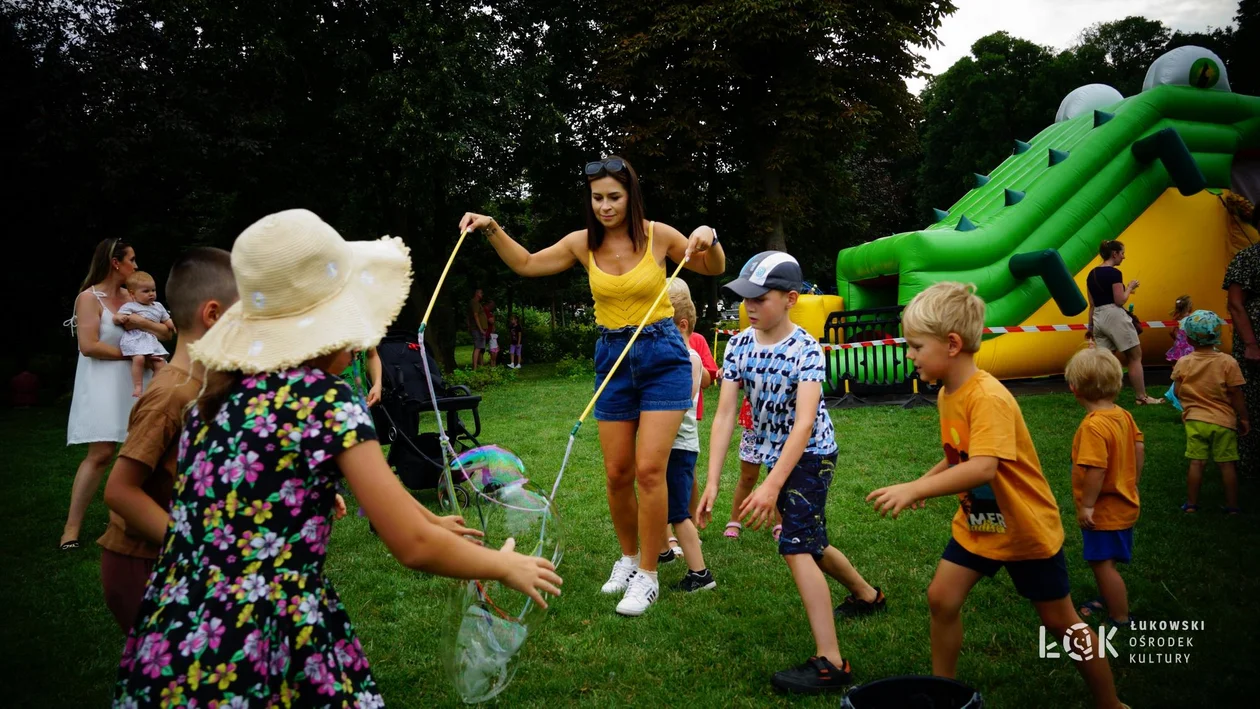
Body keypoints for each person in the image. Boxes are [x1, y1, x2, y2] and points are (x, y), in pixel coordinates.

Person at [113, 209, 561, 706]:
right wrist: (500, 567)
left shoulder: (215, 396)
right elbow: (409, 545)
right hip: (267, 637)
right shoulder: (327, 400)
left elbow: (253, 497)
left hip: (175, 630)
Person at [460, 155, 724, 617]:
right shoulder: (582, 243)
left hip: (663, 354)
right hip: (612, 357)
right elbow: (525, 263)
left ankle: (648, 574)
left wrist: (710, 236)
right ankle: (626, 558)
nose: (605, 206)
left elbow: (712, 267)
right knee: (618, 472)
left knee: (648, 471)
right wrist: (491, 227)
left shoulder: (658, 235)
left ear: (631, 196)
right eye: (598, 197)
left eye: (614, 197)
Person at [867, 282, 1127, 709]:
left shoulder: (987, 397)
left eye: (915, 346)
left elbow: (984, 466)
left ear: (951, 344)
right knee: (941, 598)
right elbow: (961, 456)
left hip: (1024, 528)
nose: (909, 354)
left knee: (1060, 620)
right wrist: (925, 485)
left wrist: (916, 487)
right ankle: (942, 692)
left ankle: (1110, 702)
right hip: (982, 520)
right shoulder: (950, 392)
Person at [699, 251, 883, 694]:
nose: (750, 306)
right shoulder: (740, 345)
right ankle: (867, 595)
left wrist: (771, 485)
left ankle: (832, 663)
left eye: (760, 298)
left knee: (796, 545)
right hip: (773, 456)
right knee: (811, 540)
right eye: (745, 298)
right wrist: (712, 480)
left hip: (813, 455)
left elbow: (804, 423)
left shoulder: (807, 350)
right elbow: (724, 416)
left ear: (792, 299)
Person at [98, 247, 238, 631]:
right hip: (145, 564)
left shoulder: (206, 385)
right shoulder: (170, 395)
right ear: (213, 315)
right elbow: (120, 491)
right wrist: (195, 548)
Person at [60, 238, 172, 551]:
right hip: (104, 381)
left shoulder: (134, 297)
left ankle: (144, 520)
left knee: (149, 452)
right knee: (101, 453)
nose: (136, 266)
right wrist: (134, 352)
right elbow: (89, 345)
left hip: (140, 380)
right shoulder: (88, 297)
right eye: (132, 260)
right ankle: (70, 529)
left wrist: (138, 323)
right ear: (115, 263)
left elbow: (166, 331)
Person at [1064, 348, 1144, 629]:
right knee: (1106, 561)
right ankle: (1107, 598)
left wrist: (1087, 505)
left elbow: (1095, 470)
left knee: (1102, 565)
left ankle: (1120, 615)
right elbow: (1139, 446)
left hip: (1104, 512)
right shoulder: (1123, 415)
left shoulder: (1093, 427)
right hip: (1125, 501)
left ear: (1074, 389)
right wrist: (1132, 480)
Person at [657, 279, 716, 596]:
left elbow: (681, 401)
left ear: (681, 325)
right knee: (661, 503)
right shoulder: (675, 355)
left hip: (678, 446)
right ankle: (662, 551)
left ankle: (700, 573)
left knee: (679, 513)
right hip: (669, 445)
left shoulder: (688, 358)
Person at [1172, 310, 1249, 514]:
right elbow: (1236, 394)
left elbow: (1178, 392)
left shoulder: (1184, 362)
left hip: (1195, 421)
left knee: (1196, 463)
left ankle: (1191, 504)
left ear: (1188, 337)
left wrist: (1189, 406)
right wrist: (1244, 418)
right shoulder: (1228, 362)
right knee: (1226, 465)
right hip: (1224, 421)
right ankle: (1233, 506)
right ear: (1218, 334)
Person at [1086, 240, 1162, 405]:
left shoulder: (1091, 274)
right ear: (1114, 254)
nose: (1124, 257)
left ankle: (1100, 397)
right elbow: (1119, 300)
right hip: (1114, 315)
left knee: (1105, 361)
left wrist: (1090, 327)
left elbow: (1091, 304)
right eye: (1122, 253)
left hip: (1098, 316)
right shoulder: (1114, 274)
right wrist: (1129, 287)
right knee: (1134, 356)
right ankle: (1141, 397)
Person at [722, 398, 782, 540]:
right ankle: (735, 520)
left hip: (781, 425)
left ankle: (781, 523)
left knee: (779, 478)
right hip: (754, 426)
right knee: (748, 477)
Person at [1224, 242, 1260, 473]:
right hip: (1254, 340)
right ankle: (1250, 460)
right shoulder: (1248, 257)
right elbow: (1235, 303)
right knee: (1252, 398)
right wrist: (1251, 344)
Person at [115, 271, 174, 398]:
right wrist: (120, 318)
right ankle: (137, 386)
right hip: (135, 339)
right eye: (146, 291)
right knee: (139, 358)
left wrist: (173, 326)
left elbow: (166, 320)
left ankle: (152, 388)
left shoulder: (158, 306)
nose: (151, 294)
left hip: (151, 341)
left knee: (160, 364)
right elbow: (117, 317)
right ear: (132, 294)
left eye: (153, 290)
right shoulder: (131, 306)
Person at [1166, 295, 1194, 363]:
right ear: (1189, 306)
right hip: (1189, 343)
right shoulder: (1191, 316)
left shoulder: (1176, 316)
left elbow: (1171, 331)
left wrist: (1177, 339)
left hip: (1179, 343)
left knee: (1178, 362)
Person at [468, 288, 488, 370]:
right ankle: (475, 367)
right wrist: (481, 329)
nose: (482, 295)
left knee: (479, 347)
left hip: (478, 329)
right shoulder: (475, 303)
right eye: (481, 293)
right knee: (477, 347)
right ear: (477, 293)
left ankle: (480, 365)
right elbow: (475, 316)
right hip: (477, 329)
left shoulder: (476, 303)